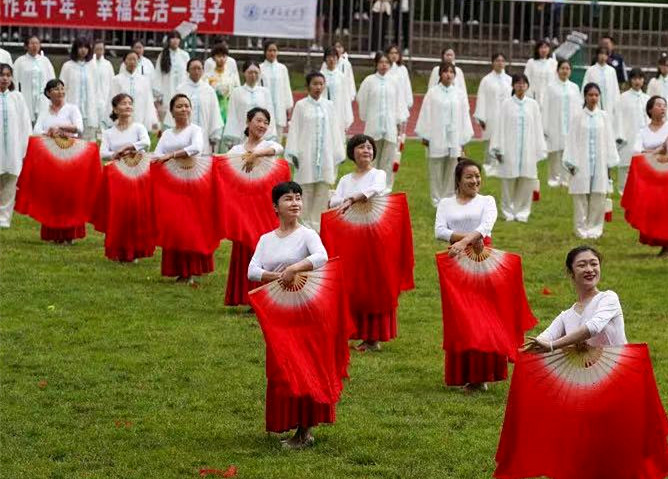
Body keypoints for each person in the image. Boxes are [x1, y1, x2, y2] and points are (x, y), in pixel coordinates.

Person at [497, 247, 668, 479]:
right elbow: (544, 339)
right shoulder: (566, 315)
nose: (589, 269)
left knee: (619, 451)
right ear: (571, 272)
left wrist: (553, 346)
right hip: (586, 389)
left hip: (620, 383)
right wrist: (518, 350)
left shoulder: (608, 298)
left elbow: (592, 328)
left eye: (594, 263)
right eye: (582, 265)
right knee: (587, 448)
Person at [248, 181, 341, 450]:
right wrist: (275, 275)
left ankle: (305, 431)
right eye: (288, 199)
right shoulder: (266, 240)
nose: (295, 203)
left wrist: (294, 268)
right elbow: (252, 270)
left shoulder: (307, 234)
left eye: (298, 198)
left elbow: (321, 257)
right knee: (282, 367)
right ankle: (290, 421)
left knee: (304, 366)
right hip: (278, 312)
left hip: (306, 310)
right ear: (275, 207)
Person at [435, 159, 535, 391]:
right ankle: (465, 373)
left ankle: (481, 376)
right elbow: (439, 231)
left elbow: (485, 227)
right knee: (462, 320)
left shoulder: (487, 201)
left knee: (483, 318)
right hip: (457, 267)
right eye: (469, 177)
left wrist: (465, 242)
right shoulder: (446, 203)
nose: (475, 180)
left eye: (477, 176)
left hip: (484, 263)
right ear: (458, 180)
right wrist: (466, 241)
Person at [322, 134, 414, 352]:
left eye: (369, 148)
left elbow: (374, 190)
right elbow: (334, 201)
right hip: (351, 236)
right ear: (352, 152)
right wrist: (343, 199)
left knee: (374, 283)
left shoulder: (378, 174)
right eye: (361, 147)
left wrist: (351, 199)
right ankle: (354, 331)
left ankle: (373, 337)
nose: (366, 151)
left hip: (375, 238)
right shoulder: (346, 179)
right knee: (354, 282)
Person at [16, 79, 100, 243]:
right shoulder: (45, 112)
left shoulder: (72, 108)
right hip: (50, 156)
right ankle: (53, 233)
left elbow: (79, 128)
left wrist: (60, 128)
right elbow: (37, 131)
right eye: (56, 89)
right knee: (53, 192)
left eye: (62, 88)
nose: (60, 92)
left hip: (71, 155)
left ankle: (70, 234)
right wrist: (49, 132)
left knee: (70, 193)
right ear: (48, 93)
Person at [152, 94, 223, 284]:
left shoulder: (195, 130)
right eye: (179, 106)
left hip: (194, 184)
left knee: (190, 226)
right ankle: (178, 269)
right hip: (172, 184)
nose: (184, 109)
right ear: (172, 112)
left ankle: (191, 270)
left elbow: (196, 148)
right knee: (175, 225)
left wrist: (171, 155)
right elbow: (157, 155)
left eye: (186, 106)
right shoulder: (167, 134)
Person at [222, 107, 288, 306]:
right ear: (248, 122)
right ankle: (245, 296)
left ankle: (265, 297)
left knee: (265, 248)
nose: (262, 125)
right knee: (245, 248)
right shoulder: (235, 151)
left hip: (264, 207)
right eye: (258, 120)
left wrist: (256, 154)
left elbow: (278, 149)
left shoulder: (268, 145)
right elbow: (222, 169)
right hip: (243, 208)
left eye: (266, 122)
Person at [93, 93, 154, 262]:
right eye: (123, 103)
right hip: (117, 175)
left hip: (137, 174)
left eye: (129, 103)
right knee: (118, 211)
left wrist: (128, 147)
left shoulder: (139, 127)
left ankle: (136, 249)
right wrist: (115, 154)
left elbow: (146, 142)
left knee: (135, 211)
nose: (128, 106)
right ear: (115, 109)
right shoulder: (108, 132)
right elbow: (103, 153)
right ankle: (118, 249)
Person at [286, 72, 345, 231]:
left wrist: (338, 152)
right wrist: (293, 153)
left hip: (325, 155)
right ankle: (302, 227)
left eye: (321, 84)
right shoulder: (301, 106)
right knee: (305, 191)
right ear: (308, 86)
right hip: (306, 154)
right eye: (315, 84)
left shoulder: (329, 106)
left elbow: (335, 130)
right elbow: (295, 130)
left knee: (322, 192)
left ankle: (318, 228)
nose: (318, 87)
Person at [562, 83, 619, 239]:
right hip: (581, 162)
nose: (593, 98)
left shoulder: (604, 117)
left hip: (599, 163)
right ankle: (581, 228)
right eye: (590, 95)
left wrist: (609, 163)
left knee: (598, 196)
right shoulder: (578, 117)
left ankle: (595, 228)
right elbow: (571, 140)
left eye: (596, 95)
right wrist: (570, 162)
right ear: (585, 96)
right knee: (580, 197)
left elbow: (609, 140)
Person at [489, 73, 546, 222]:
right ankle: (508, 211)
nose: (521, 86)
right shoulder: (506, 104)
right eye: (518, 83)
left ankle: (522, 212)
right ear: (513, 85)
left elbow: (538, 127)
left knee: (526, 181)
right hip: (509, 148)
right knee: (508, 181)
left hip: (528, 149)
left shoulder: (533, 105)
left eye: (523, 83)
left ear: (527, 86)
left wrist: (539, 148)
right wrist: (498, 148)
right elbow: (499, 127)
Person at [416, 61, 474, 206]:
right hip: (437, 136)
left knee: (452, 169)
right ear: (440, 74)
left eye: (451, 72)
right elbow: (426, 113)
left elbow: (464, 117)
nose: (448, 75)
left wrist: (463, 138)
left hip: (454, 137)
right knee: (436, 169)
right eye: (445, 71)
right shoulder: (433, 93)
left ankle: (448, 199)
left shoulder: (459, 94)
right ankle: (436, 199)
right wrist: (426, 135)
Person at [622, 96, 668, 257]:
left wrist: (653, 153)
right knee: (656, 210)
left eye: (664, 105)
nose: (662, 108)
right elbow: (637, 151)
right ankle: (662, 241)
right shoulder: (643, 131)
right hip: (652, 176)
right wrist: (657, 152)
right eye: (659, 105)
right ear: (650, 109)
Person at [356, 51, 409, 189]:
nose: (384, 65)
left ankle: (385, 189)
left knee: (388, 161)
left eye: (386, 62)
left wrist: (398, 122)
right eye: (381, 62)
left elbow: (399, 103)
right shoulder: (369, 81)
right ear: (376, 64)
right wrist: (367, 117)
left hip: (390, 128)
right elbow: (362, 100)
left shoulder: (394, 82)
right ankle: (369, 187)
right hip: (373, 126)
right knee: (371, 158)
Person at [164, 58, 223, 155]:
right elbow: (172, 113)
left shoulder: (209, 90)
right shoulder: (180, 89)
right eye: (193, 68)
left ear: (203, 70)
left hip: (204, 136)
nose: (196, 71)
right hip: (183, 137)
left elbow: (214, 113)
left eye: (199, 68)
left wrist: (214, 135)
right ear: (188, 70)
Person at [542, 59, 582, 187]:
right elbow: (545, 107)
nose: (565, 71)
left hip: (570, 124)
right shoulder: (551, 87)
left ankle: (566, 179)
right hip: (554, 123)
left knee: (569, 152)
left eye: (567, 69)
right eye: (562, 68)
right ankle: (553, 179)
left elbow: (578, 107)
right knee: (555, 152)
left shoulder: (574, 88)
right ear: (557, 70)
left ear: (570, 71)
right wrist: (545, 126)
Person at [0, 64, 31, 228]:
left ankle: (4, 218)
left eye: (8, 75)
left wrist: (25, 148)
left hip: (13, 146)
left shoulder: (17, 97)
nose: (5, 78)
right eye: (1, 75)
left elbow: (25, 123)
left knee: (10, 181)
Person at [474, 53, 512, 175]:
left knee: (506, 140)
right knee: (491, 140)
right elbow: (482, 98)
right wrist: (481, 117)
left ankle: (504, 165)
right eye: (497, 60)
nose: (500, 63)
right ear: (492, 63)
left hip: (506, 116)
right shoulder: (486, 80)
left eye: (502, 60)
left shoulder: (509, 80)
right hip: (492, 115)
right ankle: (489, 167)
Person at [223, 60, 276, 147]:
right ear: (244, 73)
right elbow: (232, 115)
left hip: (261, 136)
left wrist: (270, 135)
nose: (253, 75)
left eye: (256, 72)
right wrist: (232, 137)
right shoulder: (236, 92)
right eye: (250, 72)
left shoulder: (265, 92)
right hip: (242, 136)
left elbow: (270, 115)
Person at [616, 68, 649, 194]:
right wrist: (620, 136)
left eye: (640, 78)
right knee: (626, 165)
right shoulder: (623, 98)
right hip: (627, 136)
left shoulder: (647, 99)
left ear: (643, 80)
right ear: (630, 80)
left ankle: (640, 191)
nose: (637, 81)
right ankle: (623, 191)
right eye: (634, 78)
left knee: (642, 165)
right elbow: (618, 118)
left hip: (643, 137)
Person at [109, 51, 159, 133]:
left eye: (134, 59)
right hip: (122, 117)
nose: (132, 62)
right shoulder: (117, 80)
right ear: (125, 62)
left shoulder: (144, 80)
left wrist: (152, 120)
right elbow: (112, 100)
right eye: (129, 59)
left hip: (139, 115)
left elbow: (149, 101)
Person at [59, 36, 98, 140]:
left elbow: (96, 88)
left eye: (86, 47)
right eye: (80, 47)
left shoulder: (92, 66)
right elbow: (62, 89)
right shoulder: (67, 66)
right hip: (73, 106)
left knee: (88, 140)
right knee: (72, 140)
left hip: (89, 109)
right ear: (75, 49)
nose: (83, 50)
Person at [204, 43, 241, 148]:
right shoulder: (207, 76)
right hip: (213, 110)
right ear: (213, 58)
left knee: (227, 141)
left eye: (224, 56)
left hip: (228, 110)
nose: (221, 59)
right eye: (218, 56)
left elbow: (237, 91)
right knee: (214, 139)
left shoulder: (231, 75)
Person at [13, 34, 56, 123]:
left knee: (43, 122)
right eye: (32, 43)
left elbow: (52, 80)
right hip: (26, 98)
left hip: (43, 98)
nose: (35, 46)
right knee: (27, 121)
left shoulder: (45, 61)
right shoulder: (20, 62)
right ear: (26, 46)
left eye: (37, 43)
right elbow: (15, 81)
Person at [260, 41, 293, 142]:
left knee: (278, 137)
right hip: (265, 106)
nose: (272, 53)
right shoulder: (260, 68)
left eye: (274, 50)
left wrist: (288, 106)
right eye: (269, 50)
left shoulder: (282, 68)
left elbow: (286, 87)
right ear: (265, 52)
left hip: (279, 106)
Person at [153, 31, 190, 121]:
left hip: (182, 90)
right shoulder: (162, 55)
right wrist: (158, 95)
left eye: (177, 38)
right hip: (167, 91)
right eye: (173, 38)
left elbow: (188, 74)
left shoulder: (184, 55)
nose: (175, 40)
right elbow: (158, 75)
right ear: (169, 40)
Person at [321, 47, 354, 137]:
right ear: (325, 59)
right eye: (329, 57)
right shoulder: (320, 76)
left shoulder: (341, 77)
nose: (331, 59)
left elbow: (345, 98)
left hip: (338, 112)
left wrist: (347, 118)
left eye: (334, 57)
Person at [582, 47, 620, 113]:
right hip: (594, 102)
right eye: (601, 54)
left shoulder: (611, 71)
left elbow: (615, 89)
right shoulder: (590, 70)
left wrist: (617, 105)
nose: (603, 56)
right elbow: (585, 88)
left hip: (608, 103)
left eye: (605, 54)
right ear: (597, 55)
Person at [524, 40, 557, 109]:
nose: (543, 50)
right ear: (537, 49)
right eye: (541, 47)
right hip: (534, 95)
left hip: (549, 96)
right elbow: (526, 79)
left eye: (546, 47)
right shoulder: (531, 62)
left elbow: (556, 80)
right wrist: (529, 94)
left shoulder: (553, 63)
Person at [91, 39, 115, 130]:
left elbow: (112, 82)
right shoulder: (89, 64)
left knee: (104, 122)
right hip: (92, 98)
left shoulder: (107, 65)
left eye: (101, 49)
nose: (99, 52)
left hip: (105, 98)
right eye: (97, 49)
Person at [386, 44, 413, 113]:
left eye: (396, 53)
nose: (394, 55)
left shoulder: (403, 69)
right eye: (391, 53)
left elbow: (407, 86)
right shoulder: (385, 69)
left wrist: (409, 102)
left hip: (400, 103)